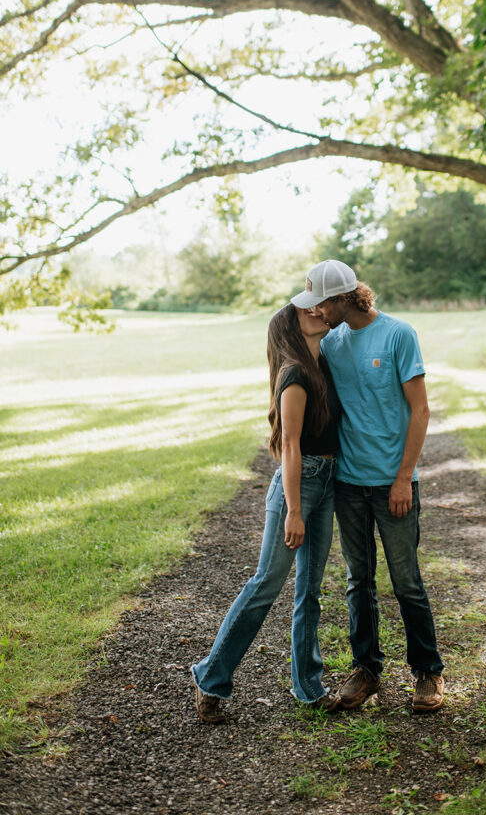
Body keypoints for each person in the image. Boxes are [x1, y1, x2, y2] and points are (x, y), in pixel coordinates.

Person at [291, 259, 445, 713]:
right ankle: (367, 670)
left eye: (321, 304)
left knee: (407, 583)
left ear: (341, 299)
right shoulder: (331, 342)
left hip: (393, 483)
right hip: (348, 484)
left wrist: (403, 478)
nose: (315, 312)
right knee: (359, 581)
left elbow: (420, 410)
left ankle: (428, 672)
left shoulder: (399, 335)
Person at [191, 302, 341, 722]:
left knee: (309, 589)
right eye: (306, 311)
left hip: (327, 480)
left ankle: (309, 687)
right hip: (300, 485)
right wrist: (295, 509)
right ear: (292, 328)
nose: (317, 312)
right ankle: (210, 677)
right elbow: (290, 445)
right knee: (265, 586)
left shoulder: (322, 363)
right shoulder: (294, 372)